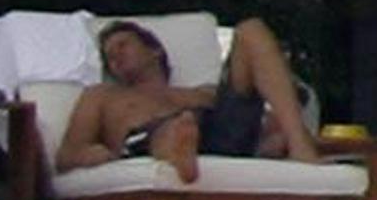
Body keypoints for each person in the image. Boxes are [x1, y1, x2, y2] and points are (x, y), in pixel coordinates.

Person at [55, 17, 319, 183]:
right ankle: (178, 152)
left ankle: (301, 147)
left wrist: (277, 136)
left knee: (251, 29)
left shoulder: (202, 92)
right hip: (149, 138)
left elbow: (258, 124)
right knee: (174, 128)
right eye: (109, 57)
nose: (115, 57)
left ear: (154, 50)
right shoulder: (103, 96)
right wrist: (89, 154)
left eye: (122, 45)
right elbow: (66, 155)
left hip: (218, 131)